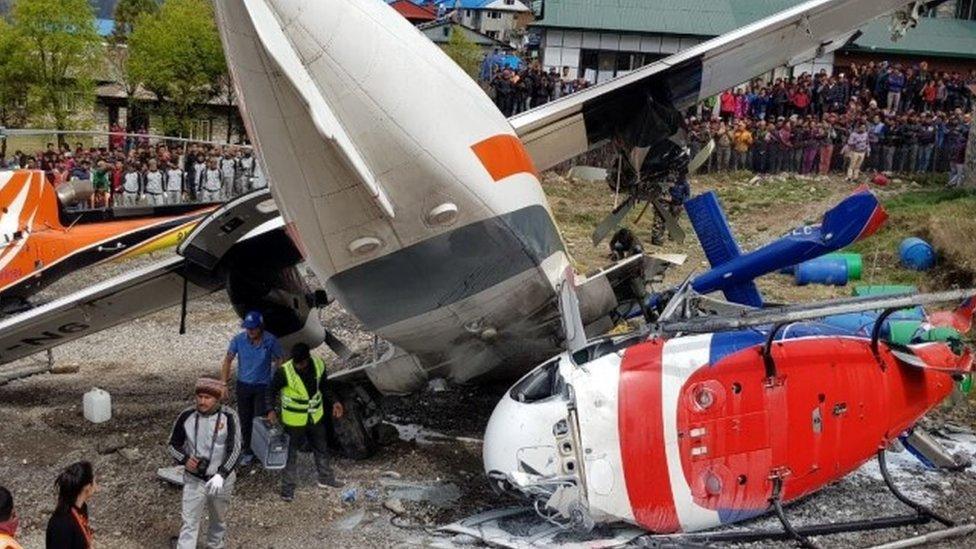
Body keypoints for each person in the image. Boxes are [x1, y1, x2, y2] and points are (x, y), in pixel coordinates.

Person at [167, 377, 242, 549]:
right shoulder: (186, 415)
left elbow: (236, 449)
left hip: (220, 480)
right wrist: (184, 460)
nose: (202, 401)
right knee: (189, 521)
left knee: (218, 519)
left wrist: (222, 474)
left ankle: (215, 546)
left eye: (207, 398)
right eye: (199, 396)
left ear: (217, 399)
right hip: (194, 479)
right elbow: (172, 445)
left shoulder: (230, 417)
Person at [266, 343, 344, 501]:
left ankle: (326, 478)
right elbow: (270, 391)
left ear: (308, 359)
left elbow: (324, 387)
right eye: (296, 363)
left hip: (315, 416)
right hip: (294, 420)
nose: (299, 366)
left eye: (301, 363)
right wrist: (270, 410)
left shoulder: (319, 365)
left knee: (321, 447)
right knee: (291, 453)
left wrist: (335, 401)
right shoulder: (284, 371)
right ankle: (287, 489)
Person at [222, 311, 283, 466]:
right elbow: (228, 359)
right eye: (247, 328)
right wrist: (223, 383)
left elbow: (280, 359)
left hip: (262, 386)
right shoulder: (238, 340)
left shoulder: (270, 340)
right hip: (243, 385)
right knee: (245, 418)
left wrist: (275, 379)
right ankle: (248, 450)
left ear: (260, 328)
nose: (250, 332)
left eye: (253, 329)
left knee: (259, 419)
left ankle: (260, 450)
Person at [46, 461, 96, 549]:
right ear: (87, 487)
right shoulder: (61, 524)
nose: (96, 484)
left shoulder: (82, 508)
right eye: (94, 480)